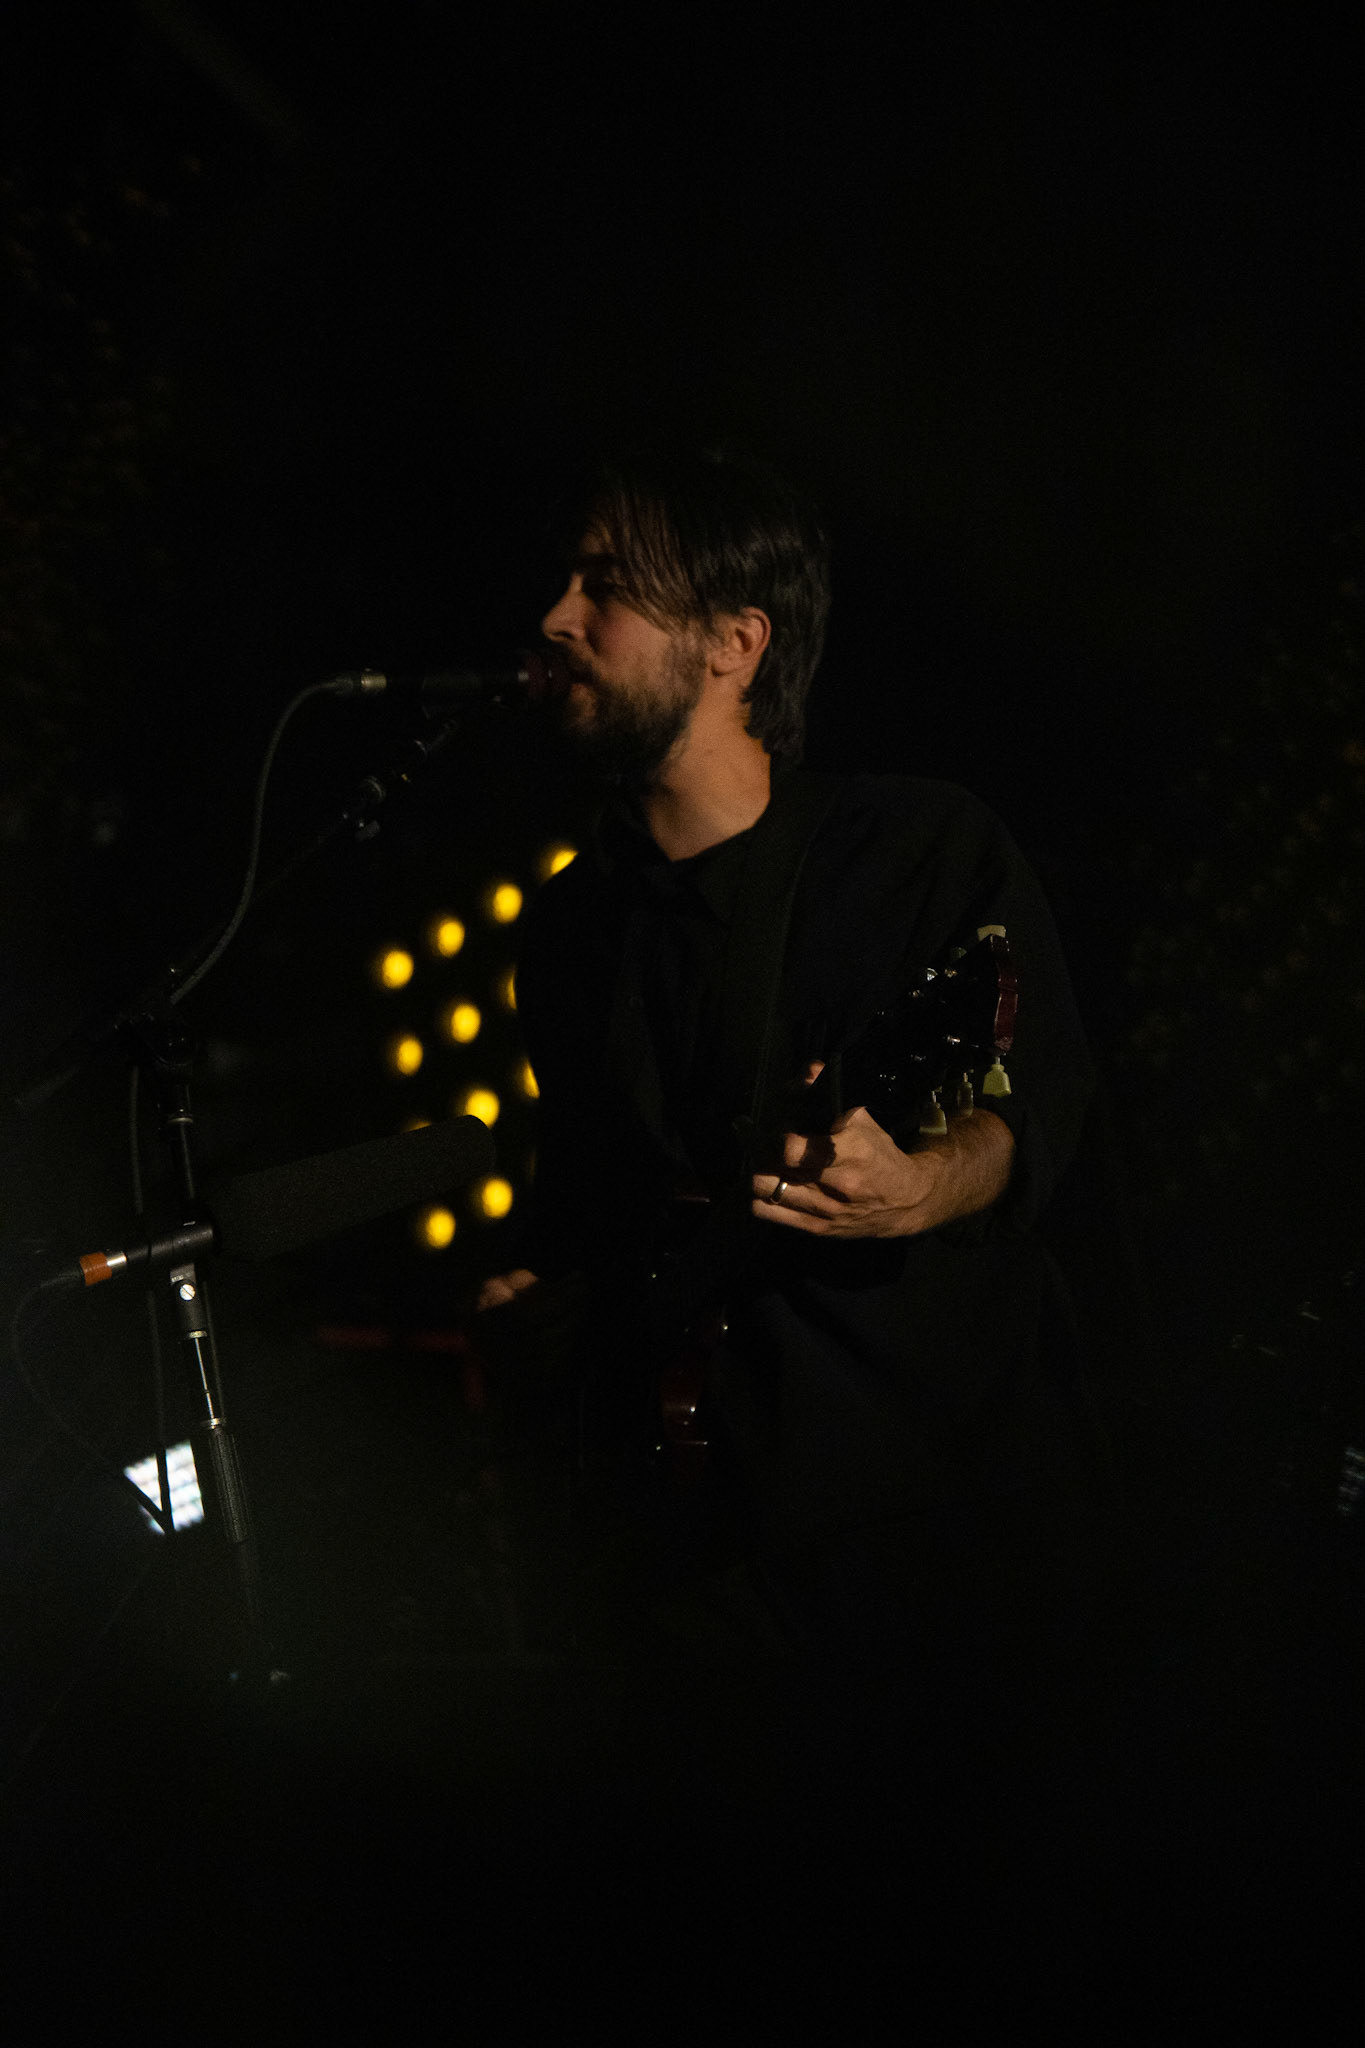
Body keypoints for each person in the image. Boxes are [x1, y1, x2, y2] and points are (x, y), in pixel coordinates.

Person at [471, 445, 1121, 1911]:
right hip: (687, 1565)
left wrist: (926, 1179)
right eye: (565, 582)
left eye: (606, 586)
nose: (557, 617)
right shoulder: (569, 930)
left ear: (734, 641)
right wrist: (536, 1310)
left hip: (930, 1540)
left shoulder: (916, 848)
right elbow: (586, 1217)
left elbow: (1036, 1109)